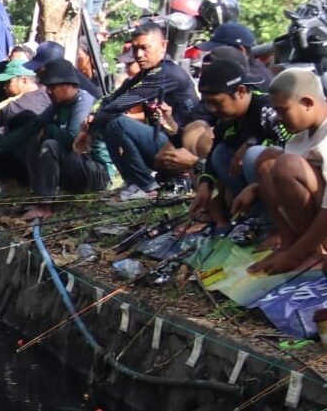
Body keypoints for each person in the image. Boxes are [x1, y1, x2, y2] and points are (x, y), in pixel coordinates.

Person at [76, 22, 200, 201]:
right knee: (107, 119)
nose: (138, 55)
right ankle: (133, 183)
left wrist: (90, 128)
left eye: (144, 48)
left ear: (163, 45)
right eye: (135, 49)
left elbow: (121, 104)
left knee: (116, 121)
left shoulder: (167, 73)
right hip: (161, 143)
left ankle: (145, 186)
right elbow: (111, 98)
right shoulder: (145, 74)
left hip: (182, 147)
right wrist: (91, 121)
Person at [0, 60, 109, 220]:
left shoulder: (83, 103)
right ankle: (36, 195)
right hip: (75, 167)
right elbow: (29, 129)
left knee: (49, 144)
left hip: (96, 173)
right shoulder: (58, 105)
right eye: (47, 88)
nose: (49, 92)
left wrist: (48, 129)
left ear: (67, 84)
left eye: (52, 87)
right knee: (34, 134)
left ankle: (45, 206)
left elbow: (72, 142)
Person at [240, 70, 327, 276]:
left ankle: (313, 252)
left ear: (307, 102)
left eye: (282, 111)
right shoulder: (300, 137)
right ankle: (289, 242)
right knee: (267, 159)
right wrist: (256, 187)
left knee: (286, 165)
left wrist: (296, 255)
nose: (278, 119)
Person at [190, 59, 285, 227]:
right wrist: (205, 183)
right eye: (207, 102)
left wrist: (251, 142)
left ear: (240, 91)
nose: (211, 109)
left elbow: (289, 146)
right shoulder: (226, 119)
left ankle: (276, 222)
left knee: (253, 155)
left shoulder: (267, 108)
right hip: (251, 186)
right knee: (220, 153)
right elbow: (213, 153)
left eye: (216, 102)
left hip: (279, 186)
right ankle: (253, 215)